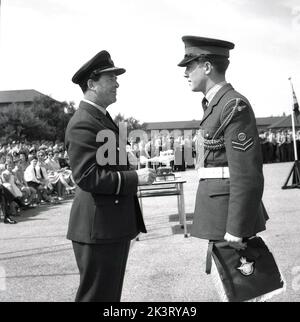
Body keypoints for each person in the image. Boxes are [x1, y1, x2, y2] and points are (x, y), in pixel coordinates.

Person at [178, 36, 269, 301]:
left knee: (245, 289)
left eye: (190, 65)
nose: (185, 72)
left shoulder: (232, 105)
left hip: (229, 216)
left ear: (207, 67)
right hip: (220, 211)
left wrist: (237, 226)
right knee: (234, 289)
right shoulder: (215, 104)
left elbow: (247, 173)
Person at [66, 50, 156, 302]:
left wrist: (128, 162)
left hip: (109, 224)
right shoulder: (84, 121)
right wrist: (135, 177)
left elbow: (104, 163)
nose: (117, 83)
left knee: (108, 297)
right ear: (92, 84)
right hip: (98, 226)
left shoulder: (100, 118)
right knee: (97, 297)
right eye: (110, 78)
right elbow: (87, 176)